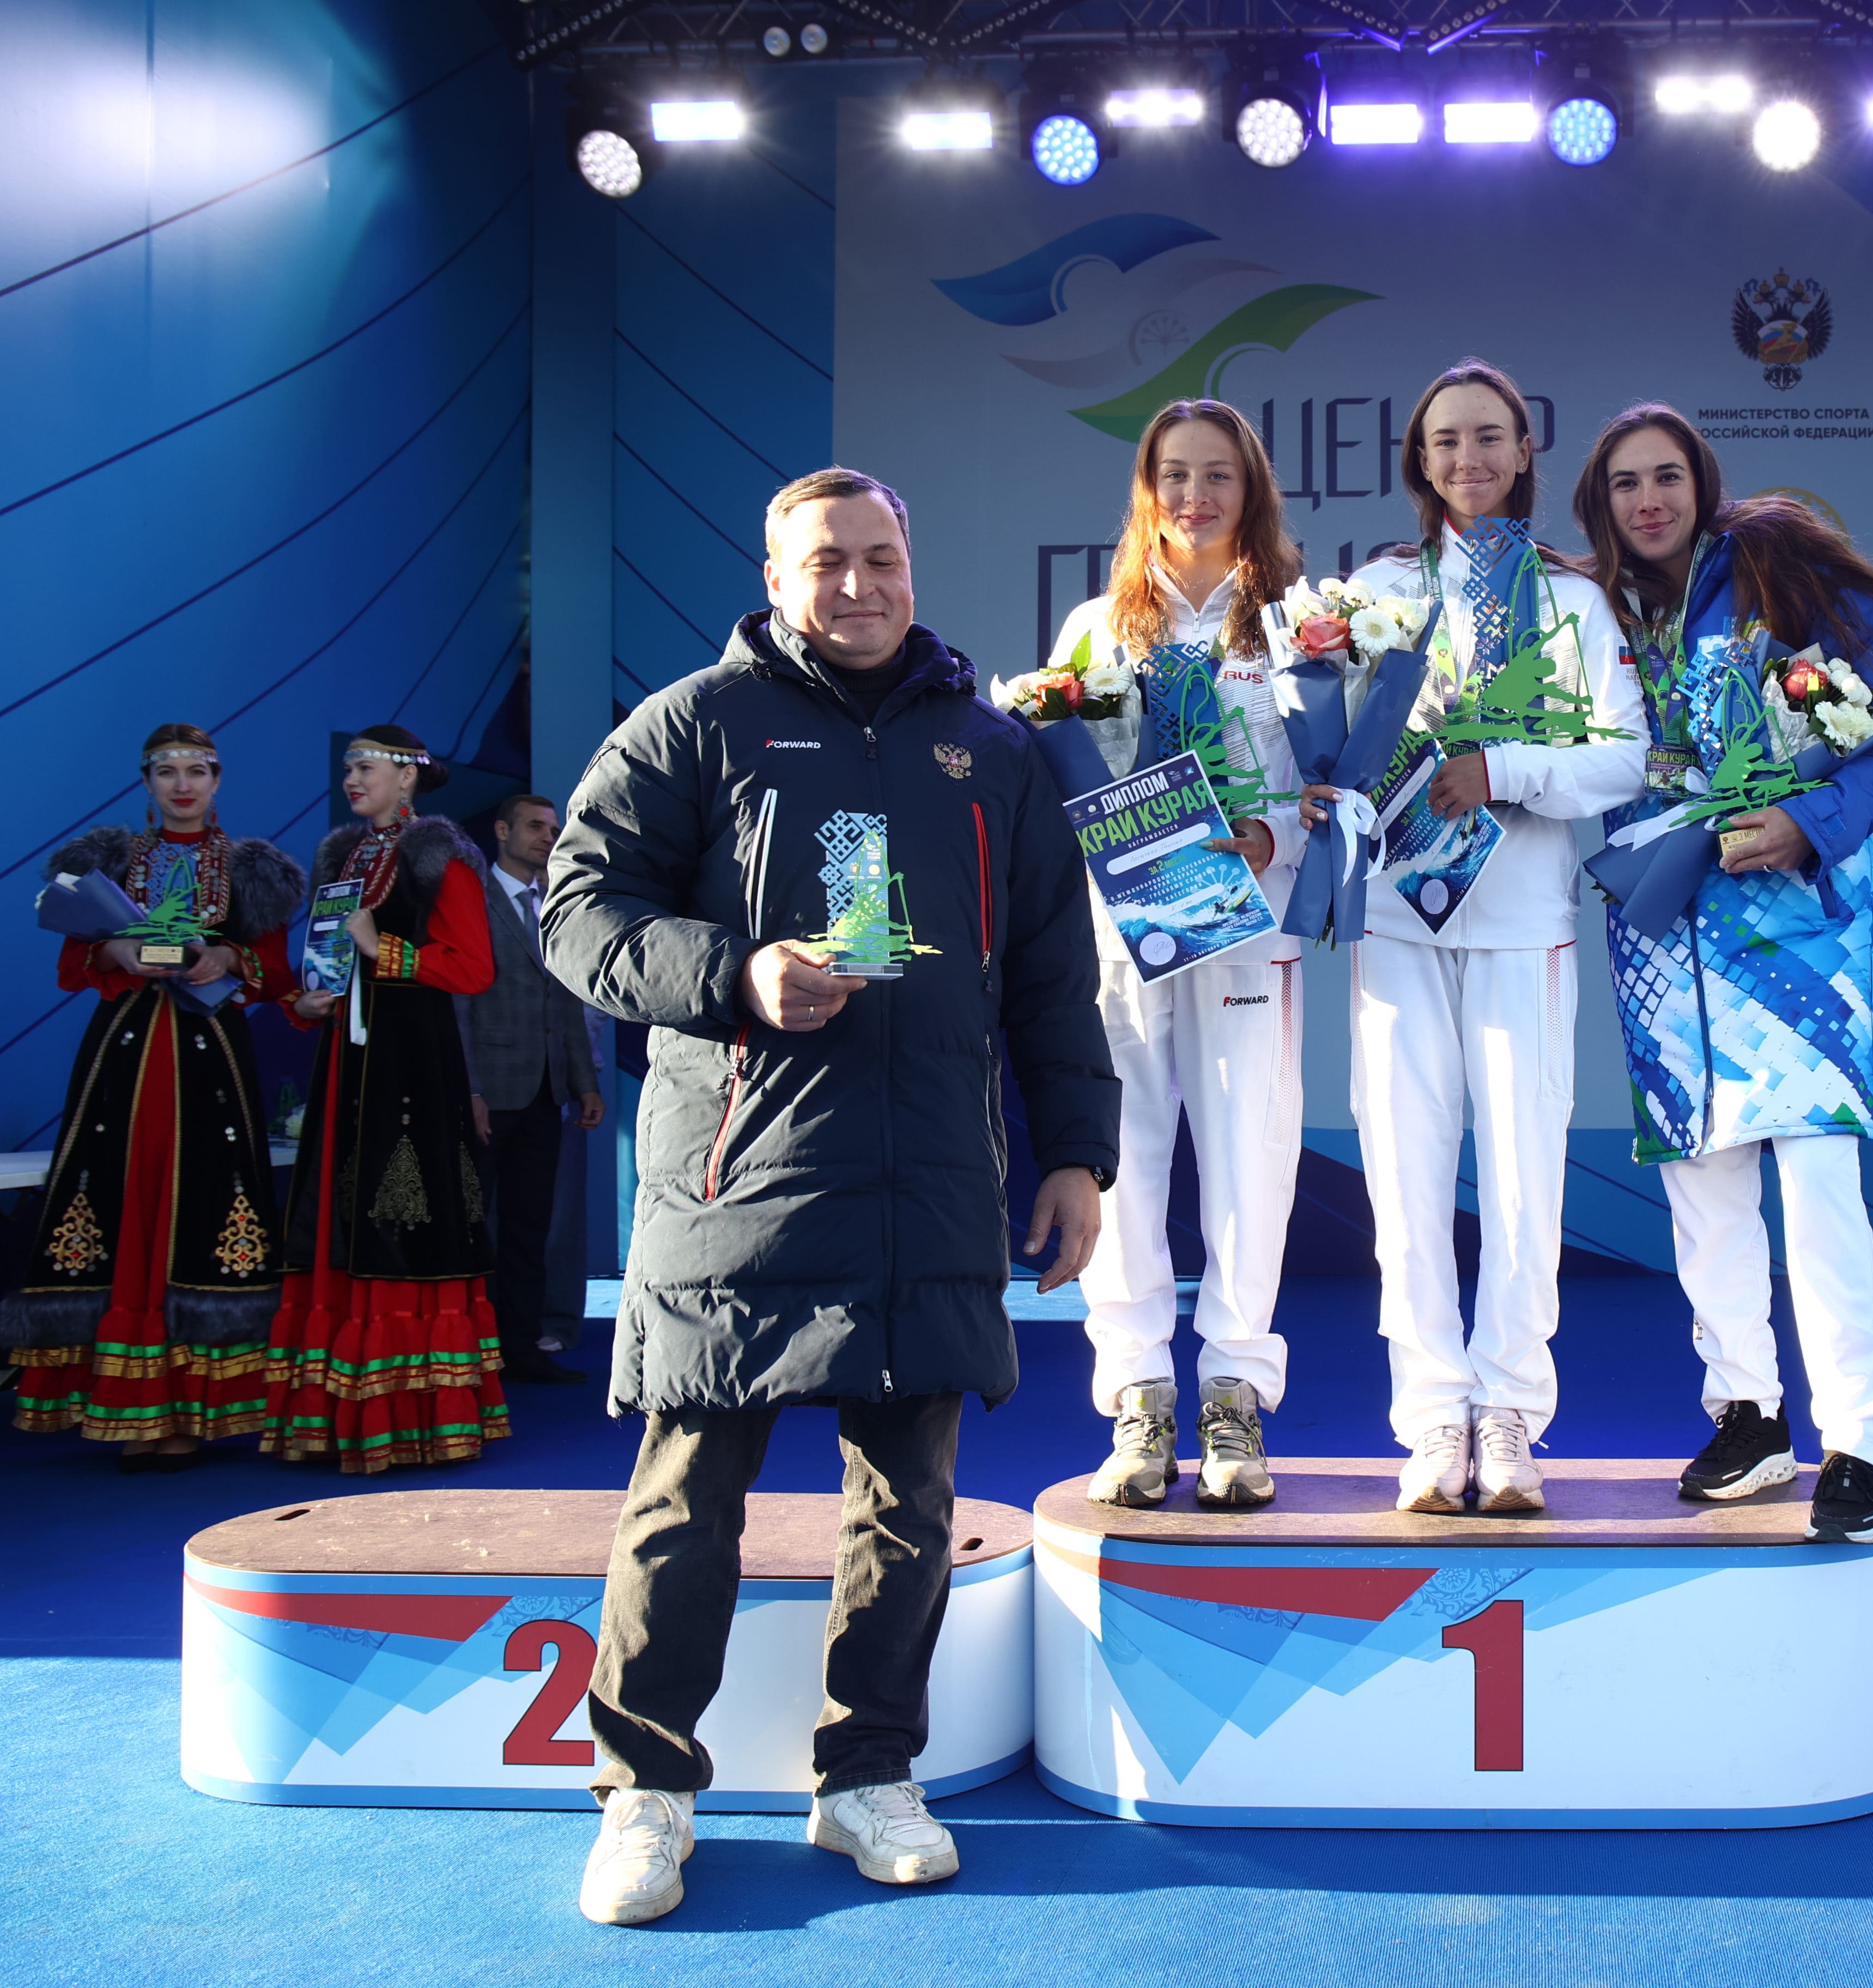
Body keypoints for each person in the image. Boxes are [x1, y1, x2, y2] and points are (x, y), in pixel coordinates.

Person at [544, 466, 1117, 1928]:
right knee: (686, 1498)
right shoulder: (693, 725)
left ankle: (866, 1775)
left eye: (880, 559)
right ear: (773, 577)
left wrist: (1075, 1152)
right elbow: (580, 915)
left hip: (929, 1180)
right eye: (825, 563)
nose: (856, 587)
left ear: (912, 565)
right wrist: (734, 974)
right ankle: (646, 1791)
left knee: (907, 1503)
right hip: (736, 1175)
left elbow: (1051, 973)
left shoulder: (993, 753)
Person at [1570, 403, 1873, 1545]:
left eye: (1666, 476)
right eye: (1625, 482)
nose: (1648, 500)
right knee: (1701, 1184)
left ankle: (1860, 1436)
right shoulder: (1596, 610)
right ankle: (1747, 1412)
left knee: (1819, 1186)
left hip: (1791, 933)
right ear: (1600, 503)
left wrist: (1808, 821)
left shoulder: (1780, 565)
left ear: (1702, 480)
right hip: (1662, 933)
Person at [1337, 360, 1645, 1514]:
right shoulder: (1373, 592)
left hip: (1522, 924)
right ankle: (1431, 1418)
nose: (1466, 458)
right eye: (1445, 441)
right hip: (1397, 919)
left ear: (1524, 454)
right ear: (1420, 463)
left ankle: (1510, 1411)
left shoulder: (1573, 601)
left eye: (1487, 438)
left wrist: (1500, 769)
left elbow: (1623, 759)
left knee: (1523, 1179)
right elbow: (1325, 742)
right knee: (1404, 1175)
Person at [1025, 400, 1308, 1511]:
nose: (1195, 496)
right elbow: (1060, 777)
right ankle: (1138, 1393)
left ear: (1252, 490)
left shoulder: (1292, 623)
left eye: (1217, 475)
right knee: (1122, 1159)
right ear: (1147, 491)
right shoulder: (1098, 627)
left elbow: (1327, 775)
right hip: (1127, 926)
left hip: (1248, 922)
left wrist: (1273, 836)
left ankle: (1235, 1391)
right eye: (1175, 475)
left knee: (1251, 1159)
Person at [1, 725, 304, 1469]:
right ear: (146, 783)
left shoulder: (251, 871)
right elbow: (73, 963)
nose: (182, 785)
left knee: (202, 1203)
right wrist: (114, 949)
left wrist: (227, 956)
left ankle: (190, 1412)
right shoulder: (106, 863)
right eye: (167, 772)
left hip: (210, 1060)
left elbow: (274, 973)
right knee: (118, 1198)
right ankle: (123, 1406)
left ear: (218, 780)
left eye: (197, 771)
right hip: (125, 1056)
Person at [264, 724, 506, 1474]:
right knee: (338, 1209)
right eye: (348, 767)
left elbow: (473, 969)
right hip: (350, 1055)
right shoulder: (345, 858)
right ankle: (334, 1414)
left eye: (366, 767)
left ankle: (412, 1415)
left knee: (401, 1215)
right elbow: (333, 962)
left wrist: (384, 949)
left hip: (412, 1062)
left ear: (407, 777)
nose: (353, 779)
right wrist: (312, 999)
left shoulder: (440, 857)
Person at [463, 793, 604, 1386]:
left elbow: (567, 1001)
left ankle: (521, 1348)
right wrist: (470, 1089)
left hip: (547, 1090)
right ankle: (467, 1348)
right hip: (489, 1091)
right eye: (535, 827)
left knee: (529, 1225)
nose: (548, 837)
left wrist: (584, 1083)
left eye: (554, 828)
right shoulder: (473, 899)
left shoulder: (556, 904)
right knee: (473, 1223)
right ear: (501, 831)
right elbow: (461, 1002)